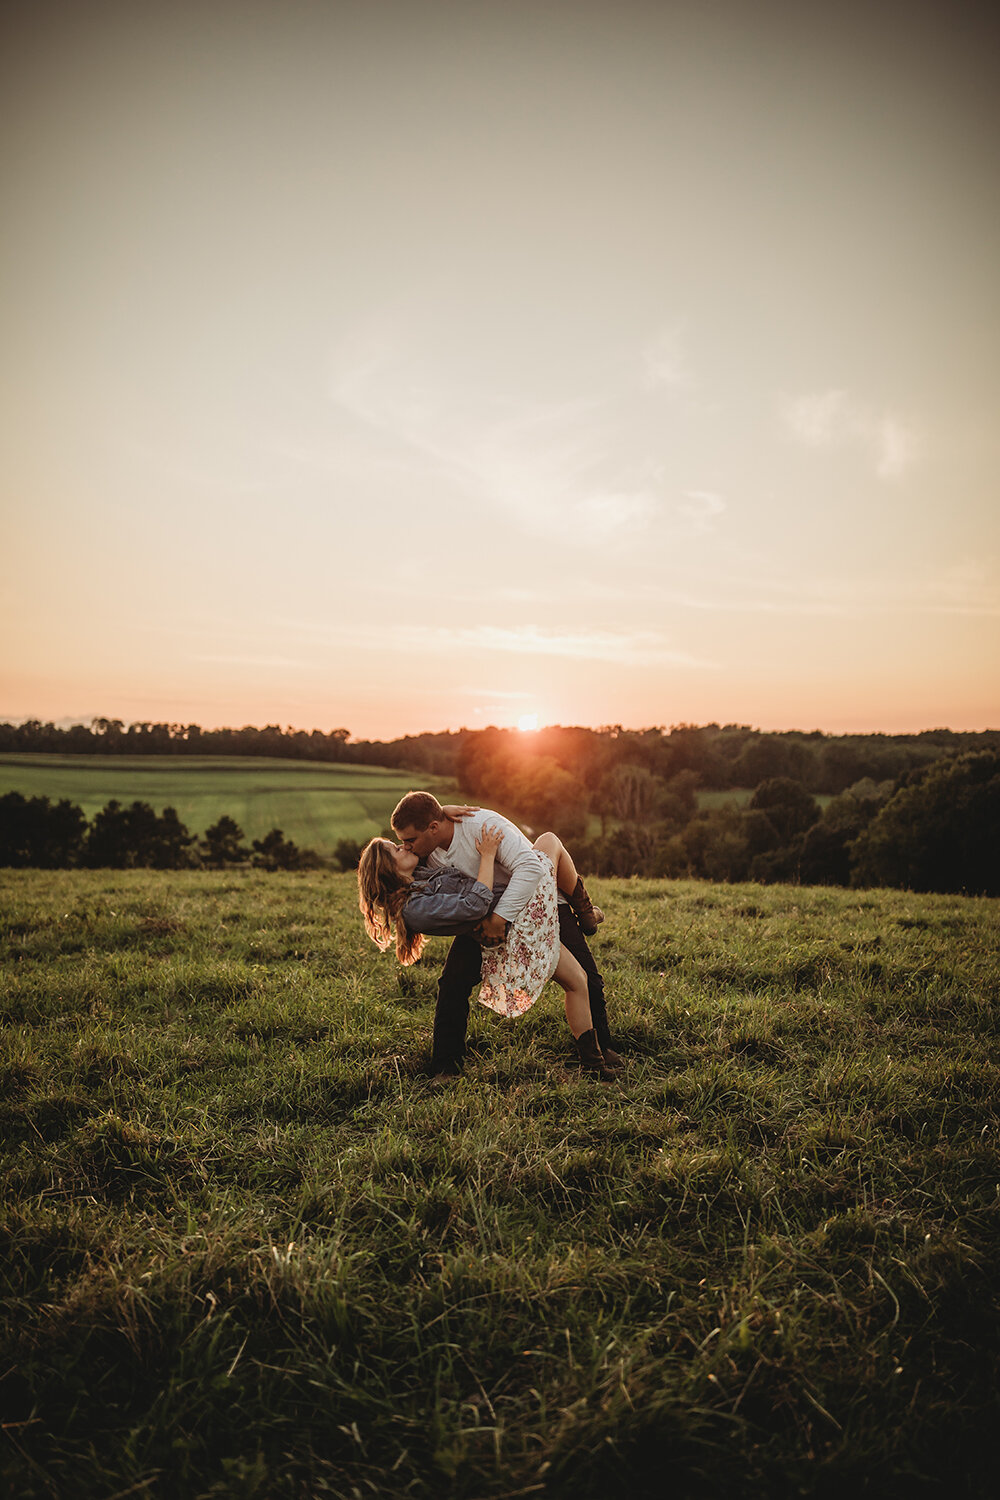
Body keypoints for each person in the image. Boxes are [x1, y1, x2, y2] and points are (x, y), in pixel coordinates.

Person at [357, 809, 618, 1080]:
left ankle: (597, 1058)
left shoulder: (419, 872)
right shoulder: (415, 905)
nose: (404, 845)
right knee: (549, 842)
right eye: (397, 847)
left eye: (404, 841)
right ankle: (586, 912)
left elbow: (429, 824)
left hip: (512, 911)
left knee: (581, 979)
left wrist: (442, 812)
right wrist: (488, 855)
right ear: (389, 869)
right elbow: (474, 903)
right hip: (514, 918)